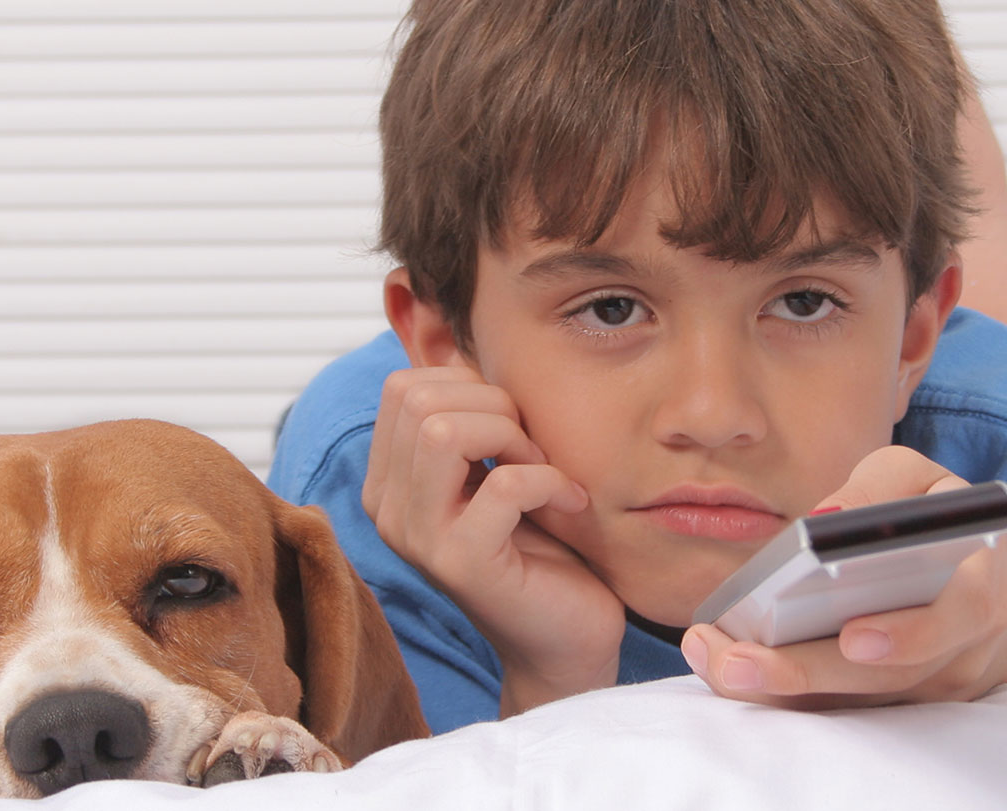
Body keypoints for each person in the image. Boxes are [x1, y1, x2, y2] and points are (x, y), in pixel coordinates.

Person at [268, 0, 1007, 734]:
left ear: (914, 338)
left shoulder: (981, 437)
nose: (714, 415)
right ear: (440, 345)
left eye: (806, 301)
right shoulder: (360, 501)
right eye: (611, 309)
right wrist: (552, 678)